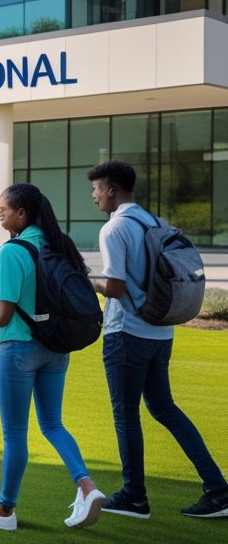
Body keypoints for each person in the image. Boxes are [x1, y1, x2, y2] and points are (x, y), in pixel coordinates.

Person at [0, 183, 105, 530]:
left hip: (19, 349)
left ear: (21, 214)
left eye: (3, 210)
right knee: (53, 424)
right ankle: (87, 487)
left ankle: (4, 510)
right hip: (55, 348)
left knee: (14, 434)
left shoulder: (12, 251)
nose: (0, 215)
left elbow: (3, 317)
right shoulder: (58, 244)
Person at [87, 159, 228, 518]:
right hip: (161, 330)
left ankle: (134, 496)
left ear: (112, 190)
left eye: (96, 189)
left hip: (127, 333)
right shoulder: (154, 221)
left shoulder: (113, 229)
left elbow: (116, 287)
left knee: (125, 414)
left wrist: (87, 281)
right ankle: (218, 488)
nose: (94, 196)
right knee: (164, 407)